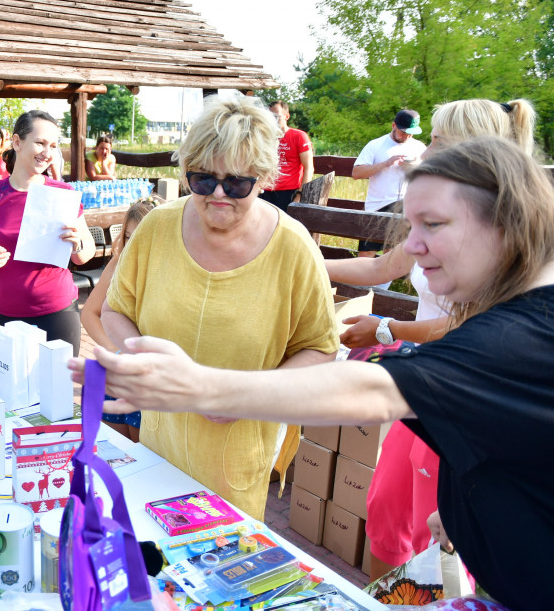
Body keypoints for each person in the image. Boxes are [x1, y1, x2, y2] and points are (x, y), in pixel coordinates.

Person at [81, 135, 554, 611]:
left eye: (432, 224)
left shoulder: (518, 337)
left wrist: (201, 387)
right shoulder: (521, 320)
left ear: (505, 225)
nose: (411, 246)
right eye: (410, 225)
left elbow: (375, 390)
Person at [324, 97, 537, 579]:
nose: (426, 149)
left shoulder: (503, 231)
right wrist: (301, 259)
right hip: (426, 382)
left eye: (437, 140)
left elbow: (473, 324)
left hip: (465, 395)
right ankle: (386, 594)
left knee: (438, 530)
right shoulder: (441, 215)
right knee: (386, 512)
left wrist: (387, 329)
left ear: (471, 151)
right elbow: (382, 267)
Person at [99, 95, 339, 520]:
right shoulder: (158, 227)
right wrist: (149, 363)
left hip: (237, 457)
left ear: (264, 177)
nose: (219, 194)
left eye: (238, 184)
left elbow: (320, 348)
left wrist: (245, 397)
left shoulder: (294, 247)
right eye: (203, 180)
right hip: (160, 440)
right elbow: (115, 310)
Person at [0, 110, 95, 352]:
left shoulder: (63, 194)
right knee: (7, 389)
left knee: (56, 387)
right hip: (4, 315)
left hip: (57, 312)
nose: (47, 153)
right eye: (40, 143)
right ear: (17, 142)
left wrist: (78, 244)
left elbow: (85, 255)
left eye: (53, 146)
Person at [80, 196, 161, 441]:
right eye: (128, 235)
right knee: (112, 453)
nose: (133, 242)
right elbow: (89, 313)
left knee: (144, 458)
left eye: (142, 234)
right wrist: (115, 350)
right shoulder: (118, 263)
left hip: (151, 380)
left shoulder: (174, 269)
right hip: (115, 373)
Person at [352, 109, 427, 257]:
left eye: (411, 133)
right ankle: (360, 281)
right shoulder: (375, 145)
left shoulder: (419, 147)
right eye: (403, 132)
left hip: (405, 206)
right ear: (393, 125)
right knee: (366, 254)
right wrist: (385, 164)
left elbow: (429, 178)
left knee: (392, 255)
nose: (407, 136)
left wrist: (413, 167)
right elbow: (356, 173)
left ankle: (384, 281)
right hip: (377, 207)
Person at [259, 101, 313, 211]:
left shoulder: (298, 136)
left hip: (288, 192)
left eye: (276, 116)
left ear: (286, 116)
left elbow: (309, 167)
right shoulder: (264, 137)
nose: (272, 120)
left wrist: (300, 194)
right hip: (265, 190)